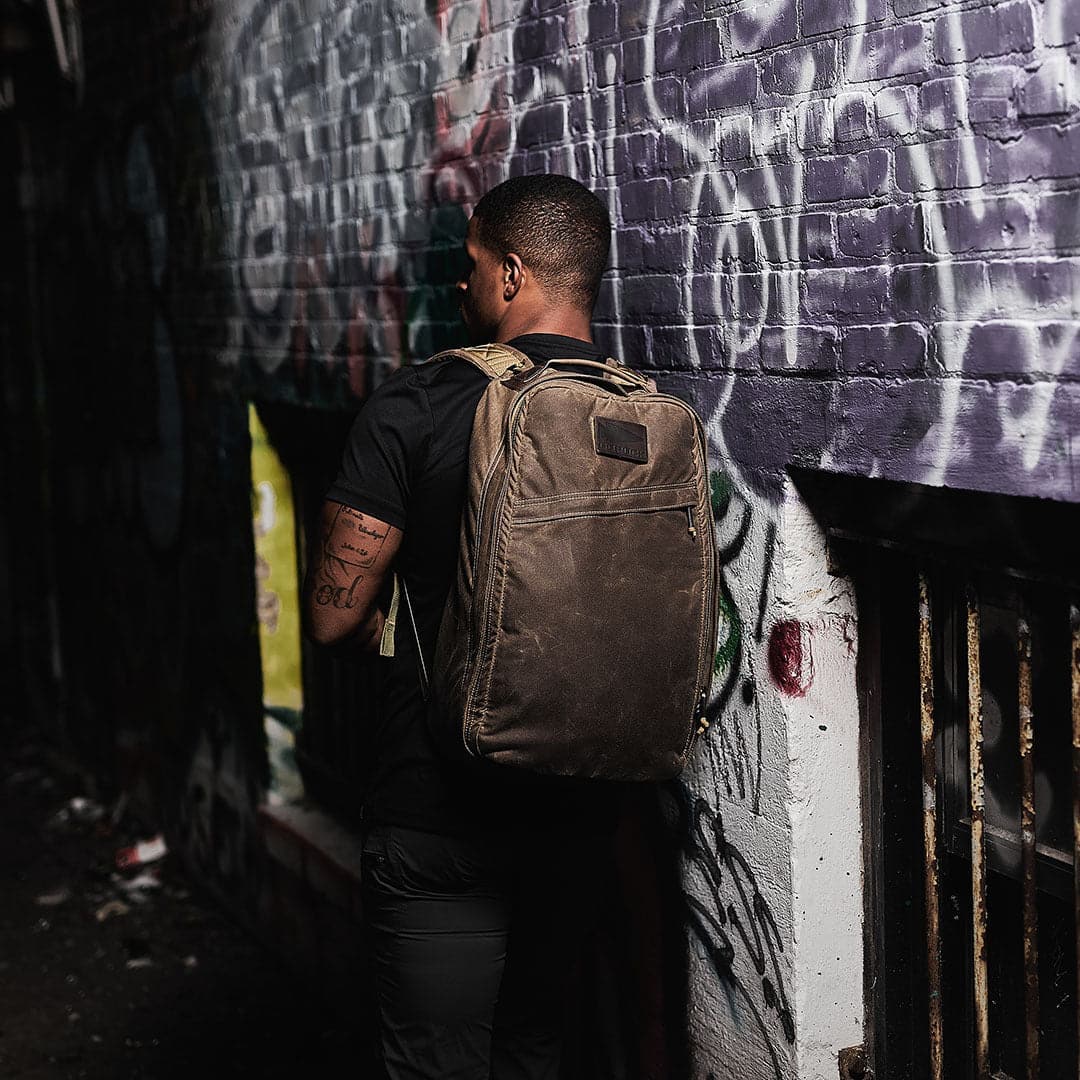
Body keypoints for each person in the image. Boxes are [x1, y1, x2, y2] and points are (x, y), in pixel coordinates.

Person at [303, 174, 622, 1080]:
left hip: (438, 812)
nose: (462, 283)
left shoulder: (419, 405)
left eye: (475, 264)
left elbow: (331, 618)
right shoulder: (644, 414)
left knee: (437, 1062)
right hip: (585, 810)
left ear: (513, 274)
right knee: (536, 1048)